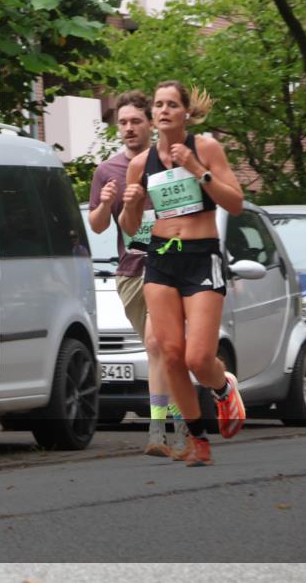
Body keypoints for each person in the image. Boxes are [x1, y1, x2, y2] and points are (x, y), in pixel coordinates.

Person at [119, 81, 246, 467]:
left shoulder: (205, 148)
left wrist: (197, 170)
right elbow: (129, 227)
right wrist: (131, 205)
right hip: (161, 258)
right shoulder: (140, 165)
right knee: (170, 355)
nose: (164, 110)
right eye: (158, 104)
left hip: (200, 256)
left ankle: (223, 387)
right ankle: (197, 440)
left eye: (172, 104)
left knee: (197, 358)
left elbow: (236, 204)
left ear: (186, 113)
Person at [88, 90, 188, 458]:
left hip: (168, 265)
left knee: (156, 344)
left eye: (135, 122)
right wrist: (103, 202)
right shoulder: (108, 171)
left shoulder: (170, 163)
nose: (129, 129)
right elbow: (97, 226)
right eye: (123, 123)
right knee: (164, 351)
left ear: (150, 123)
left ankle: (162, 431)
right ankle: (212, 394)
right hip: (130, 271)